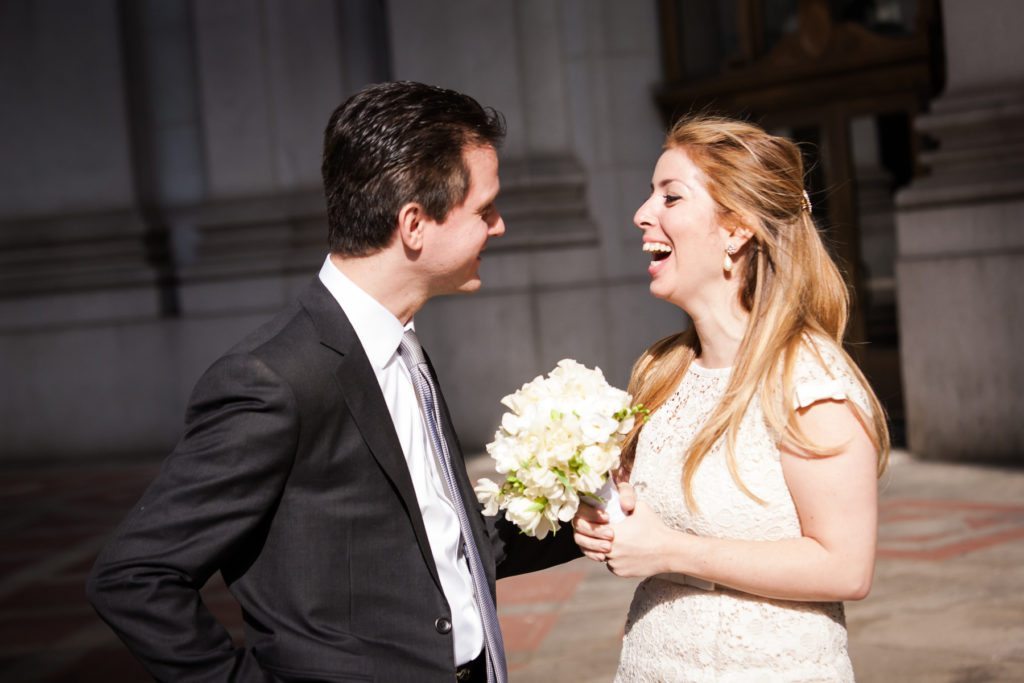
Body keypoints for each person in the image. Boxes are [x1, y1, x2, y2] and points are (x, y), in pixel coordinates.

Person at [87, 81, 579, 683]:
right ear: (414, 224)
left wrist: (582, 517)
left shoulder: (403, 346)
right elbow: (134, 575)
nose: (499, 227)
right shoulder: (273, 381)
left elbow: (440, 544)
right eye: (485, 210)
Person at [573, 115, 890, 681]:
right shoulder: (660, 370)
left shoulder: (807, 379)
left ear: (737, 230)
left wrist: (667, 551)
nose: (643, 214)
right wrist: (606, 521)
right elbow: (651, 524)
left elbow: (845, 567)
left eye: (670, 197)